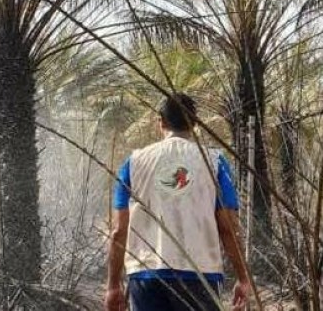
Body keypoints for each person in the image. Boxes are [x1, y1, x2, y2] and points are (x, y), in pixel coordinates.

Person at [104, 92, 251, 311]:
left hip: (146, 275)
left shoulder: (133, 163)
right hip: (200, 275)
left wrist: (113, 286)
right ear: (194, 124)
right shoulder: (215, 162)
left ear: (161, 122)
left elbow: (118, 231)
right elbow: (228, 227)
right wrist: (243, 277)